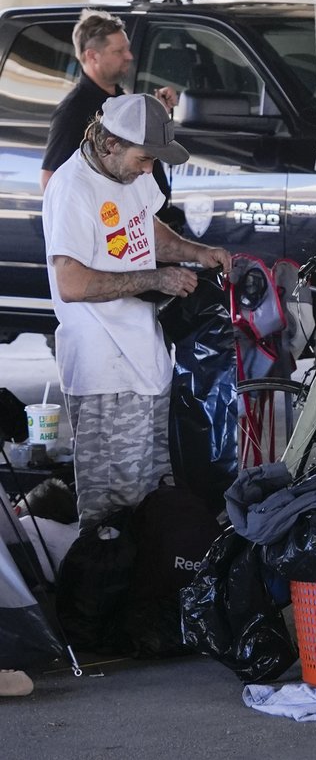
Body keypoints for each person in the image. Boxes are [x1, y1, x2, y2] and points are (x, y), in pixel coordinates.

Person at [42, 93, 231, 529]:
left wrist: (194, 252)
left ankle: (149, 573)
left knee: (152, 500)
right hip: (104, 374)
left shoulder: (131, 175)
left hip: (146, 363)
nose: (149, 170)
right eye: (144, 159)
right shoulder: (72, 188)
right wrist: (155, 279)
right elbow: (71, 283)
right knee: (113, 516)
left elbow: (145, 225)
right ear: (111, 144)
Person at [42, 9, 178, 215]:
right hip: (117, 228)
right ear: (92, 56)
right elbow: (50, 179)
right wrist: (105, 221)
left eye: (127, 49)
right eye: (119, 51)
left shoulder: (120, 98)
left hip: (146, 221)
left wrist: (158, 110)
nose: (129, 56)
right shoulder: (73, 111)